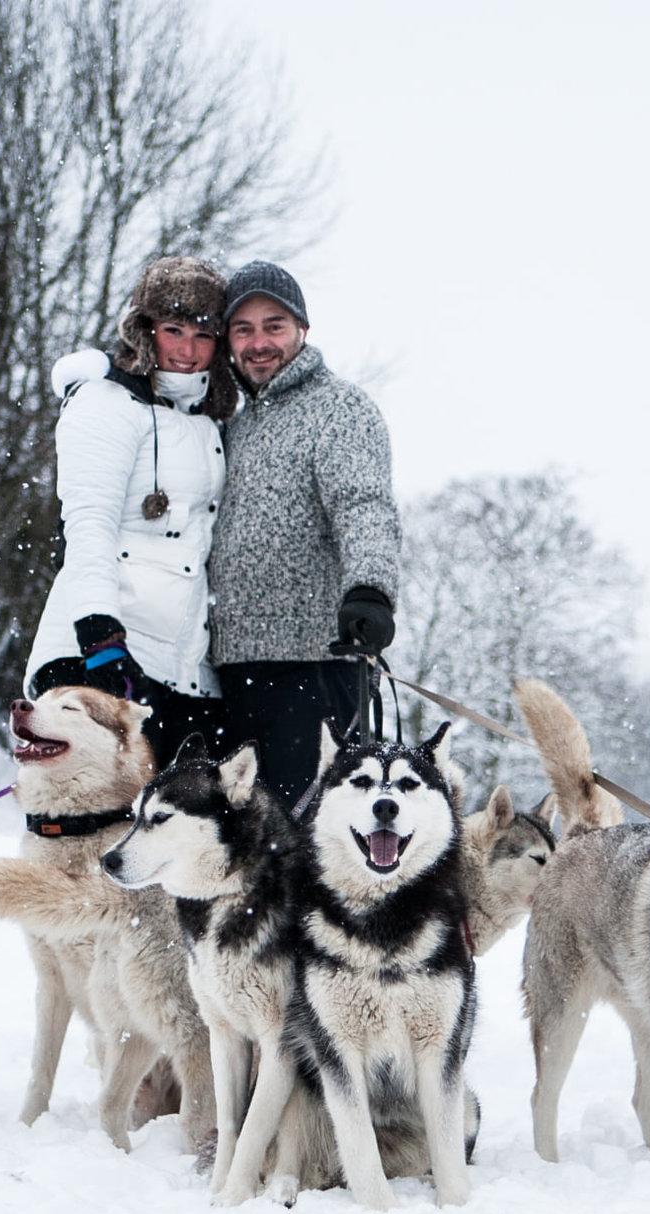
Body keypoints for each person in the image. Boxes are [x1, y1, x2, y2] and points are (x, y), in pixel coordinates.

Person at [24, 256, 237, 765]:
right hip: (100, 652)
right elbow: (88, 524)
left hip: (178, 666)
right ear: (146, 329)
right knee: (85, 821)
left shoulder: (211, 424)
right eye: (173, 330)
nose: (187, 350)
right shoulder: (106, 402)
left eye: (204, 335)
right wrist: (101, 639)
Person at [207, 261, 402, 806]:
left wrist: (370, 591)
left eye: (274, 325)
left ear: (302, 330)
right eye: (243, 329)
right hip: (234, 665)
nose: (258, 342)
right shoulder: (235, 426)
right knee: (244, 842)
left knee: (305, 838)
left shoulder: (340, 408)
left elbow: (364, 507)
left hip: (315, 665)